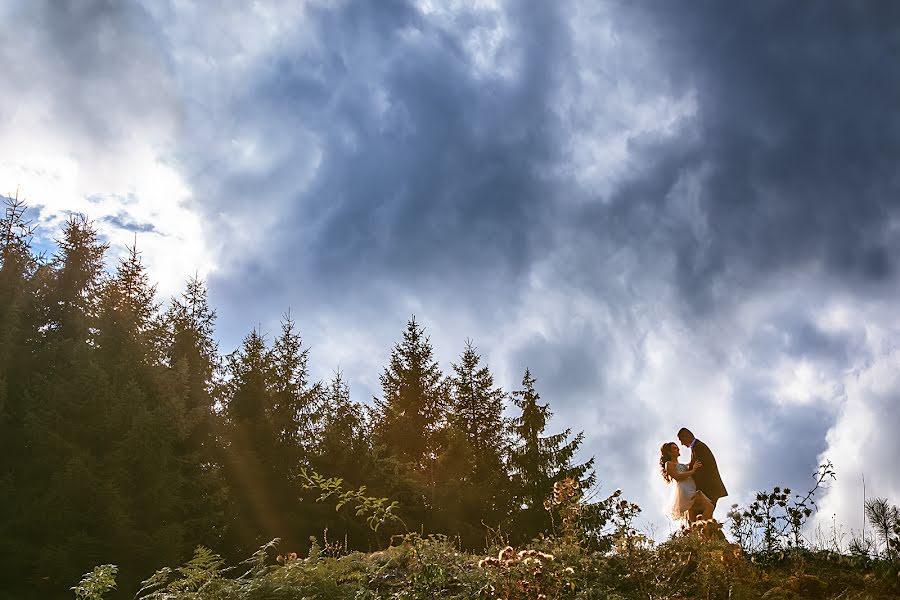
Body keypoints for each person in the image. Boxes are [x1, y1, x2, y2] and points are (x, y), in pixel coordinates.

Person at [677, 427, 728, 519]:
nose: (681, 444)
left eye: (681, 440)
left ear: (686, 436)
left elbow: (701, 469)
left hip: (709, 488)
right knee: (700, 518)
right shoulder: (696, 447)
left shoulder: (699, 447)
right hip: (707, 489)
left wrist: (690, 473)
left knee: (704, 519)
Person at [660, 441, 714, 523]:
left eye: (677, 447)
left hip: (691, 487)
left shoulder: (682, 464)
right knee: (709, 507)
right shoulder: (669, 464)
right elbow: (677, 477)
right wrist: (693, 471)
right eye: (674, 448)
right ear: (669, 452)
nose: (678, 448)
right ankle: (703, 526)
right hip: (685, 489)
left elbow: (691, 464)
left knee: (692, 514)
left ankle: (697, 529)